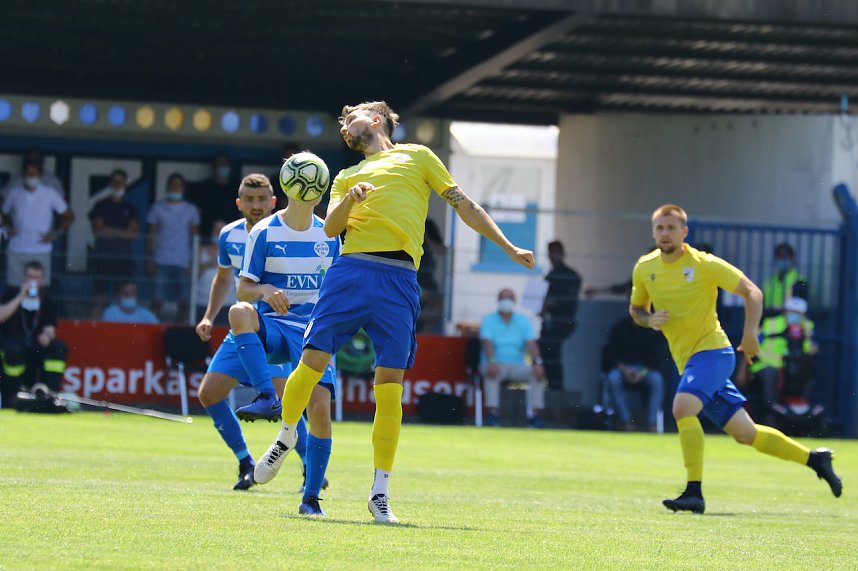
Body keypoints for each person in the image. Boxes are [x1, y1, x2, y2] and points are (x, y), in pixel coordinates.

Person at [252, 100, 535, 524]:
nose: (345, 126)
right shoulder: (345, 175)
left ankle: (379, 492)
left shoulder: (418, 156)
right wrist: (351, 199)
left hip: (400, 278)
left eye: (351, 117)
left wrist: (509, 247)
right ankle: (287, 435)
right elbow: (330, 228)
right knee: (311, 362)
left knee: (390, 385)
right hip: (350, 270)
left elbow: (464, 204)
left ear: (378, 119)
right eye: (343, 122)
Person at [629, 204, 841, 514]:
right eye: (660, 228)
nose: (665, 233)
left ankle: (693, 492)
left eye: (672, 228)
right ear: (653, 232)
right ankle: (815, 459)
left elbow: (752, 292)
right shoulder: (644, 267)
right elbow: (636, 310)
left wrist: (750, 334)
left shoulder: (704, 264)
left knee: (682, 407)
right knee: (747, 434)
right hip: (689, 362)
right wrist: (649, 320)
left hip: (714, 353)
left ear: (684, 232)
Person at [194, 174, 334, 511]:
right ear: (239, 203)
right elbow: (225, 280)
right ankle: (245, 462)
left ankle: (307, 469)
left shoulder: (311, 232)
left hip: (286, 326)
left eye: (262, 200)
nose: (256, 206)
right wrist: (208, 316)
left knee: (300, 401)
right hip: (254, 324)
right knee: (209, 394)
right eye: (249, 200)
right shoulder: (231, 235)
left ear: (274, 200)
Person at [0, 261, 67, 408]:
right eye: (29, 277)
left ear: (42, 280)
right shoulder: (11, 293)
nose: (33, 281)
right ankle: (11, 398)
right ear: (24, 278)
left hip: (36, 344)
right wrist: (20, 297)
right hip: (13, 342)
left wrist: (47, 337)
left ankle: (48, 396)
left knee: (58, 347)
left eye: (36, 278)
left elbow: (50, 328)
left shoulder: (47, 300)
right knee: (13, 350)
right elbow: (1, 315)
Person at [480, 288, 546, 428]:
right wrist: (492, 361)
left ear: (514, 301)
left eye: (509, 298)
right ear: (498, 301)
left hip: (517, 365)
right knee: (492, 374)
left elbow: (531, 344)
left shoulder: (523, 321)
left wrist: (538, 362)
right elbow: (487, 343)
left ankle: (534, 416)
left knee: (537, 373)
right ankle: (492, 415)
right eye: (503, 298)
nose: (506, 301)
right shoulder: (489, 320)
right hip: (495, 363)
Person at [1, 161, 75, 286]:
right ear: (22, 175)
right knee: (15, 288)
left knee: (40, 289)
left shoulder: (49, 193)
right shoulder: (14, 192)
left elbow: (69, 216)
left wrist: (56, 233)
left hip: (41, 248)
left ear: (40, 176)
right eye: (28, 173)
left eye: (34, 174)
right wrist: (9, 227)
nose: (31, 176)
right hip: (16, 248)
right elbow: (3, 212)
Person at [748, 296, 817, 426]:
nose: (794, 315)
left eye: (798, 313)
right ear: (785, 311)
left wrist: (808, 338)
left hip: (791, 369)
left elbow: (809, 351)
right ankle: (771, 416)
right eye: (791, 311)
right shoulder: (770, 323)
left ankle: (800, 416)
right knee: (770, 374)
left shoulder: (807, 327)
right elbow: (751, 345)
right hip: (764, 366)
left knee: (807, 374)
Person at [146, 173, 200, 322]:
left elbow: (195, 237)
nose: (175, 188)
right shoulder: (157, 208)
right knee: (157, 298)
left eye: (179, 185)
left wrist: (194, 262)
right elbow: (151, 234)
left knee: (184, 300)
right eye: (172, 185)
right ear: (167, 187)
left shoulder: (191, 209)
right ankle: (154, 325)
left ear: (183, 188)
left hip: (183, 261)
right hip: (161, 259)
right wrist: (150, 259)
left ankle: (183, 327)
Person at [602, 314, 667, 432]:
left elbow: (657, 358)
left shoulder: (653, 329)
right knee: (613, 378)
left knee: (657, 380)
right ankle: (626, 421)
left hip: (645, 371)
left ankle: (652, 423)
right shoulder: (619, 327)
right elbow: (611, 354)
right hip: (622, 369)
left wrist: (641, 373)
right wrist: (625, 370)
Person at [89, 169, 140, 315]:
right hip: (103, 256)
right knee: (99, 296)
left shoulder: (130, 207)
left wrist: (111, 231)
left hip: (124, 258)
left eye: (121, 182)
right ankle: (96, 327)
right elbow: (99, 230)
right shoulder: (101, 205)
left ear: (125, 184)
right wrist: (122, 232)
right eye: (115, 182)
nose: (118, 185)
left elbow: (133, 234)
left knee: (124, 295)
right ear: (110, 184)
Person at [538, 240, 581, 390]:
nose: (553, 256)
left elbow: (568, 301)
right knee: (546, 353)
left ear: (562, 253)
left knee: (553, 355)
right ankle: (552, 386)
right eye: (551, 253)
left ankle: (557, 388)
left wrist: (550, 304)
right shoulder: (550, 276)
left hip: (563, 324)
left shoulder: (571, 276)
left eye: (556, 252)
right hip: (550, 324)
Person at [186, 154, 242, 239]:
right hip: (206, 238)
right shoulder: (204, 188)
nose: (223, 168)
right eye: (220, 164)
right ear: (214, 167)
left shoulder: (237, 189)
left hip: (232, 236)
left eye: (225, 165)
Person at [195, 219, 232, 325]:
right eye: (216, 230)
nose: (219, 233)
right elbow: (192, 274)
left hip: (228, 303)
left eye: (222, 230)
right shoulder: (200, 250)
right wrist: (209, 265)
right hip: (203, 301)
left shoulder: (236, 250)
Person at [1, 147, 65, 198]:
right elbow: (2, 199)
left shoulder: (52, 181)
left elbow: (63, 205)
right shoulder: (17, 180)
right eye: (31, 160)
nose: (33, 163)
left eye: (36, 160)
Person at [762, 243, 807, 314]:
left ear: (792, 258)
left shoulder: (799, 280)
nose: (782, 260)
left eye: (785, 257)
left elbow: (805, 286)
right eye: (780, 257)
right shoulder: (770, 280)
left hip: (789, 322)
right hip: (767, 321)